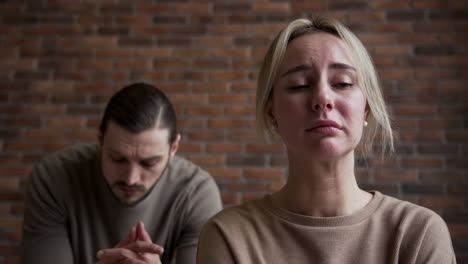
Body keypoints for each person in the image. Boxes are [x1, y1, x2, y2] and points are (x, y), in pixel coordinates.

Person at [197, 16, 456, 264]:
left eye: (343, 83)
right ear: (271, 112)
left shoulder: (417, 233)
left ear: (365, 108)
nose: (323, 98)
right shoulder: (228, 236)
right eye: (299, 85)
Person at [21, 82, 223, 264]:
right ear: (100, 140)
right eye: (118, 159)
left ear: (174, 149)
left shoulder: (197, 192)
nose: (131, 178)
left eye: (148, 162)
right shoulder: (53, 177)